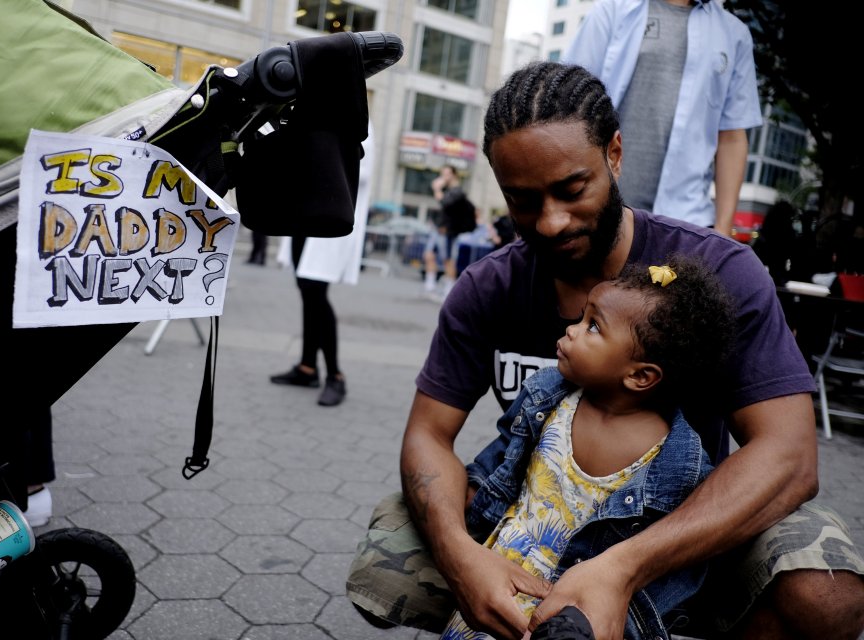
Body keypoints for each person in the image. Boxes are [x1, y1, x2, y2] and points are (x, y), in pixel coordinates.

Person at [346, 62, 864, 639]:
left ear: (614, 154)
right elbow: (427, 433)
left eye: (572, 190)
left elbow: (790, 456)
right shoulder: (487, 288)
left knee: (825, 589)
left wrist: (621, 569)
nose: (549, 223)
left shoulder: (714, 274)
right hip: (536, 530)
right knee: (390, 546)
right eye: (521, 201)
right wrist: (461, 559)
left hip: (678, 540)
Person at [440, 255, 736, 639]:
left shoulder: (676, 462)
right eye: (582, 317)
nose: (572, 329)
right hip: (496, 583)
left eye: (593, 326)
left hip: (570, 618)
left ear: (640, 375)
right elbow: (498, 466)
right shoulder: (546, 398)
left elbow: (678, 564)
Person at [563, 0, 763, 235]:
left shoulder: (734, 35)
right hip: (601, 214)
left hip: (685, 222)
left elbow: (732, 137)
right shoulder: (611, 11)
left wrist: (721, 232)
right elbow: (569, 108)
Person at [269, 124, 375, 407]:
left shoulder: (356, 117)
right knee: (306, 290)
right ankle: (307, 367)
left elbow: (361, 171)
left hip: (329, 213)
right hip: (303, 214)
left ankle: (335, 375)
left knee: (316, 291)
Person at [423, 166, 477, 299]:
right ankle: (430, 287)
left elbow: (445, 203)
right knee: (429, 255)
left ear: (454, 175)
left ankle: (449, 291)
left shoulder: (458, 192)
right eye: (442, 174)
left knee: (448, 260)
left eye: (446, 174)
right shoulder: (448, 190)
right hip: (439, 229)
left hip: (449, 231)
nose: (443, 177)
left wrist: (437, 189)